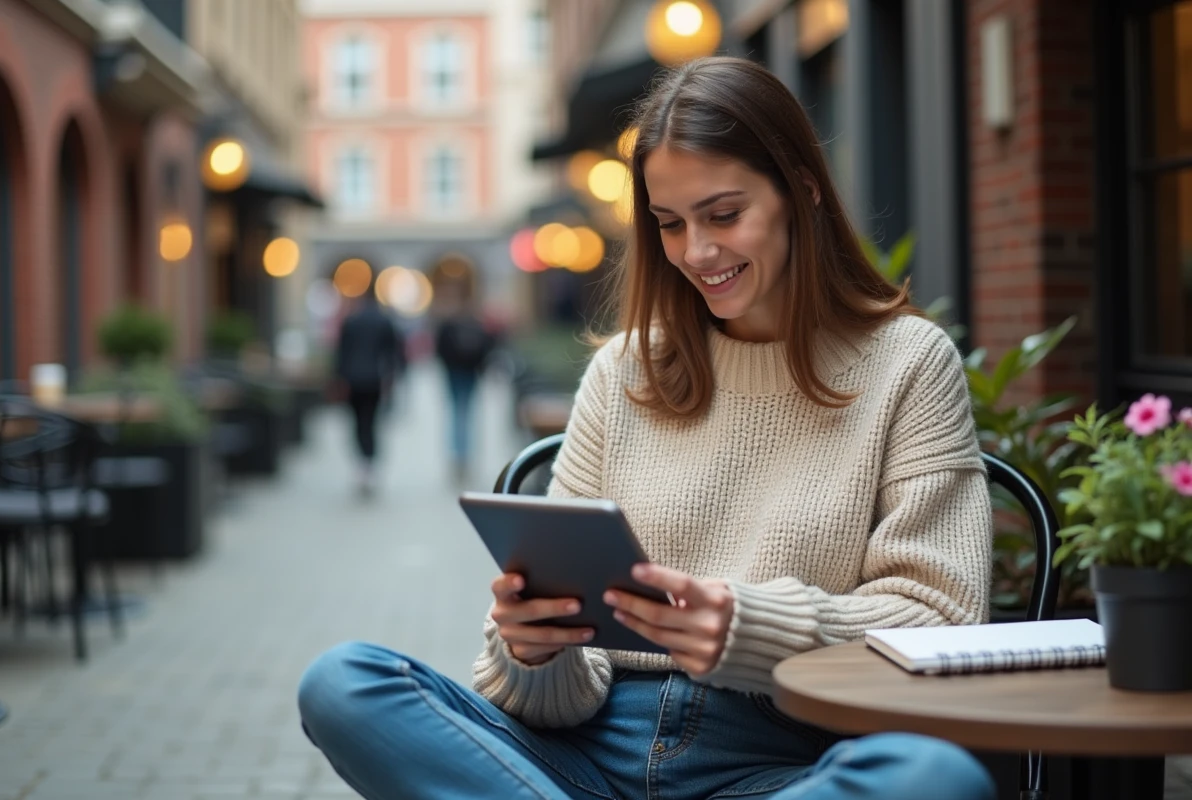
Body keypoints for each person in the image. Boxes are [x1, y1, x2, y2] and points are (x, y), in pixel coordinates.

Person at [299, 57, 996, 800]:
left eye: (724, 215)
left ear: (804, 189)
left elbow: (941, 620)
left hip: (775, 763)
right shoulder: (624, 371)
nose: (697, 252)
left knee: (933, 777)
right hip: (585, 757)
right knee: (343, 683)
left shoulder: (908, 364)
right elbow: (555, 691)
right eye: (670, 224)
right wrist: (535, 652)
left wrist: (750, 630)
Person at [332, 286, 405, 494]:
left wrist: (338, 378)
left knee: (357, 422)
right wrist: (392, 377)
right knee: (371, 422)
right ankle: (369, 464)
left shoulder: (351, 321)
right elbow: (394, 352)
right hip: (374, 379)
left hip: (353, 380)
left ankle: (361, 465)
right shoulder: (383, 321)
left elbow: (340, 353)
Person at [434, 305, 497, 484]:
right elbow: (488, 347)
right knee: (467, 412)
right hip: (471, 373)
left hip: (453, 374)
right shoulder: (476, 325)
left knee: (456, 412)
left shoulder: (448, 325)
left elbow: (439, 350)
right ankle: (465, 455)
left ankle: (458, 455)